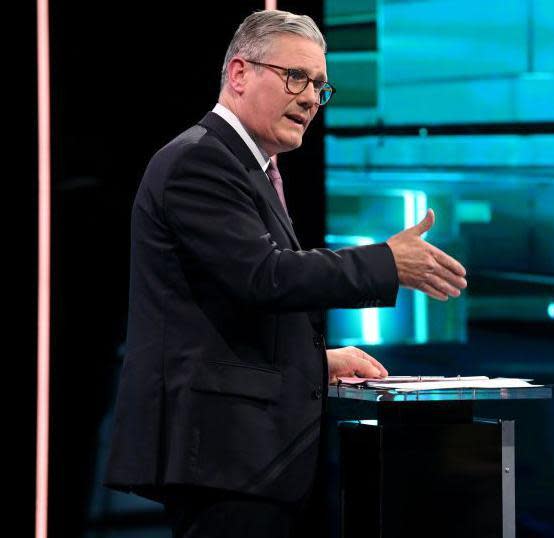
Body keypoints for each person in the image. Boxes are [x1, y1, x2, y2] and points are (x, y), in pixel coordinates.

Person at [104, 10, 467, 537]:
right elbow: (265, 277)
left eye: (320, 86)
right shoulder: (200, 162)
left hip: (244, 458)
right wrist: (387, 262)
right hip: (222, 456)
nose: (309, 99)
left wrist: (314, 362)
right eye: (296, 77)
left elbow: (229, 316)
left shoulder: (248, 166)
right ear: (238, 74)